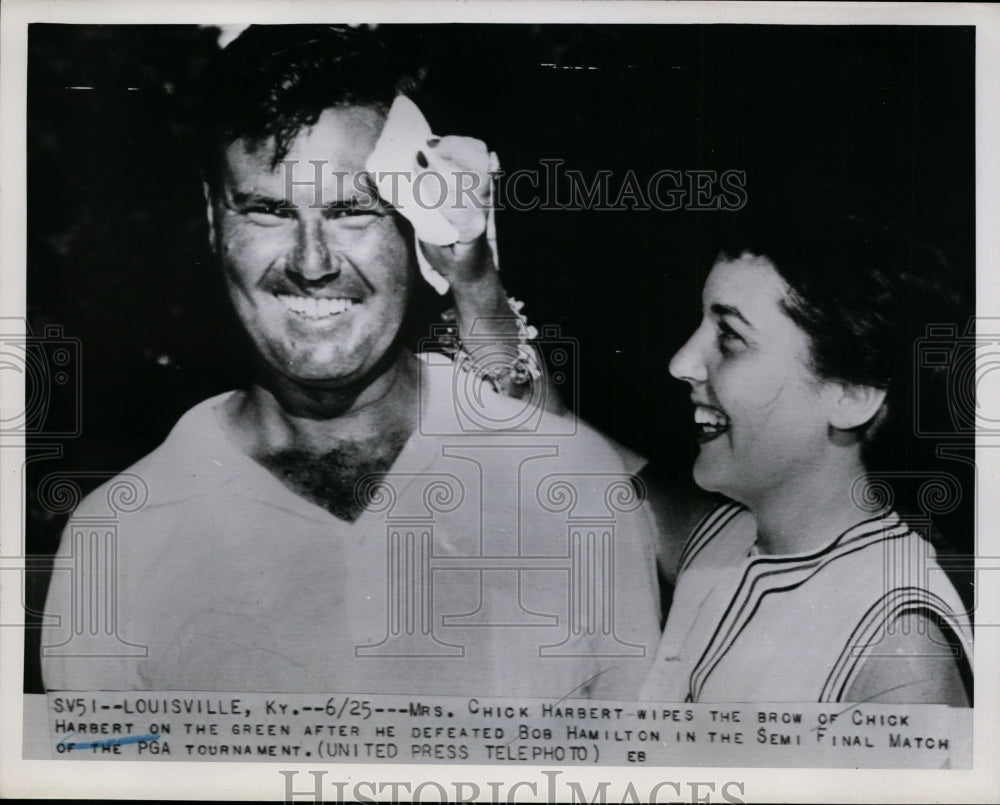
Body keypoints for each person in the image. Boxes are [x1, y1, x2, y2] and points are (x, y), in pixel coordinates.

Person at [41, 25, 660, 696]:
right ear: (215, 221)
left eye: (352, 212)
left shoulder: (576, 487)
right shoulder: (118, 538)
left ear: (422, 221)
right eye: (269, 210)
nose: (312, 262)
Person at [639, 210, 973, 705]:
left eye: (730, 337)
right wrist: (478, 278)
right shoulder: (726, 541)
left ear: (852, 393)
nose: (681, 362)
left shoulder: (899, 652)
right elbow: (589, 463)